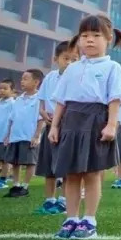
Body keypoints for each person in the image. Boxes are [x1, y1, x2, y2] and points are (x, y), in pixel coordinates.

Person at [48, 14, 121, 240]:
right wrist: (55, 127)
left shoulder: (113, 67)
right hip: (71, 123)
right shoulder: (72, 69)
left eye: (96, 35)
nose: (89, 40)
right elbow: (61, 101)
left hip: (96, 121)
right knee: (71, 174)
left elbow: (114, 99)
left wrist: (111, 124)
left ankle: (89, 220)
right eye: (84, 36)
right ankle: (71, 219)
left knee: (92, 174)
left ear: (108, 38)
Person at [35, 41, 74, 215]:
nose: (70, 63)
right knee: (48, 165)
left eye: (74, 59)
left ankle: (64, 200)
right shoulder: (50, 77)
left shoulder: (76, 77)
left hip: (67, 126)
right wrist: (43, 114)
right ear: (56, 59)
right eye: (66, 58)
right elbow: (42, 102)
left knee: (66, 165)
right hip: (50, 125)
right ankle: (49, 200)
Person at [3, 69, 45, 198]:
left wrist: (37, 135)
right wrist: (8, 135)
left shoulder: (39, 99)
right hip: (16, 136)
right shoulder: (18, 99)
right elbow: (11, 119)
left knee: (29, 162)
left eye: (26, 79)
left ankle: (25, 187)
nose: (22, 81)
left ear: (36, 82)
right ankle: (16, 185)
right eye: (22, 78)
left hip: (29, 136)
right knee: (15, 162)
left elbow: (41, 119)